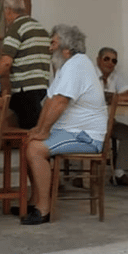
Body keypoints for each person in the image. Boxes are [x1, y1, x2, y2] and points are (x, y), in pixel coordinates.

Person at [21, 25, 107, 225]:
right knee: (28, 141)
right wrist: (38, 130)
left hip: (86, 135)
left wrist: (42, 133)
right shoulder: (66, 66)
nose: (50, 48)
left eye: (53, 43)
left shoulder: (77, 65)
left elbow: (60, 103)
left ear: (66, 48)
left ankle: (43, 209)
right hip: (70, 131)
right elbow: (50, 101)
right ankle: (35, 201)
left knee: (35, 149)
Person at [0, 0, 51, 129]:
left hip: (25, 89)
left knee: (27, 134)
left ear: (8, 10)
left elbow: (6, 63)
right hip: (42, 87)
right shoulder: (41, 29)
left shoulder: (15, 29)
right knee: (33, 127)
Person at [95, 47, 128, 187]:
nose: (110, 63)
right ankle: (85, 175)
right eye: (106, 59)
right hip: (91, 124)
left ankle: (119, 173)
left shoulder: (115, 77)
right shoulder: (90, 75)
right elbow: (100, 96)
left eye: (114, 60)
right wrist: (119, 97)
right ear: (98, 60)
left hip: (109, 122)